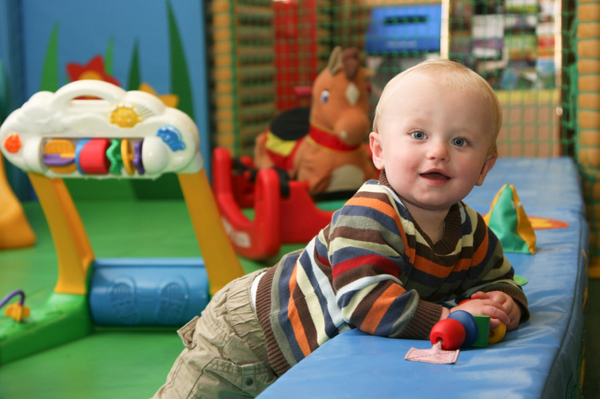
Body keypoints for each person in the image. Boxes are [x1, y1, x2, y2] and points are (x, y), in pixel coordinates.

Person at [152, 59, 530, 398]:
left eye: (460, 141)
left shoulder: (469, 230)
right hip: (248, 336)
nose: (438, 151)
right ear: (378, 151)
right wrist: (448, 318)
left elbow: (495, 277)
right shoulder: (371, 214)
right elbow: (368, 302)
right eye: (418, 135)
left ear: (484, 167)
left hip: (301, 352)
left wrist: (504, 303)